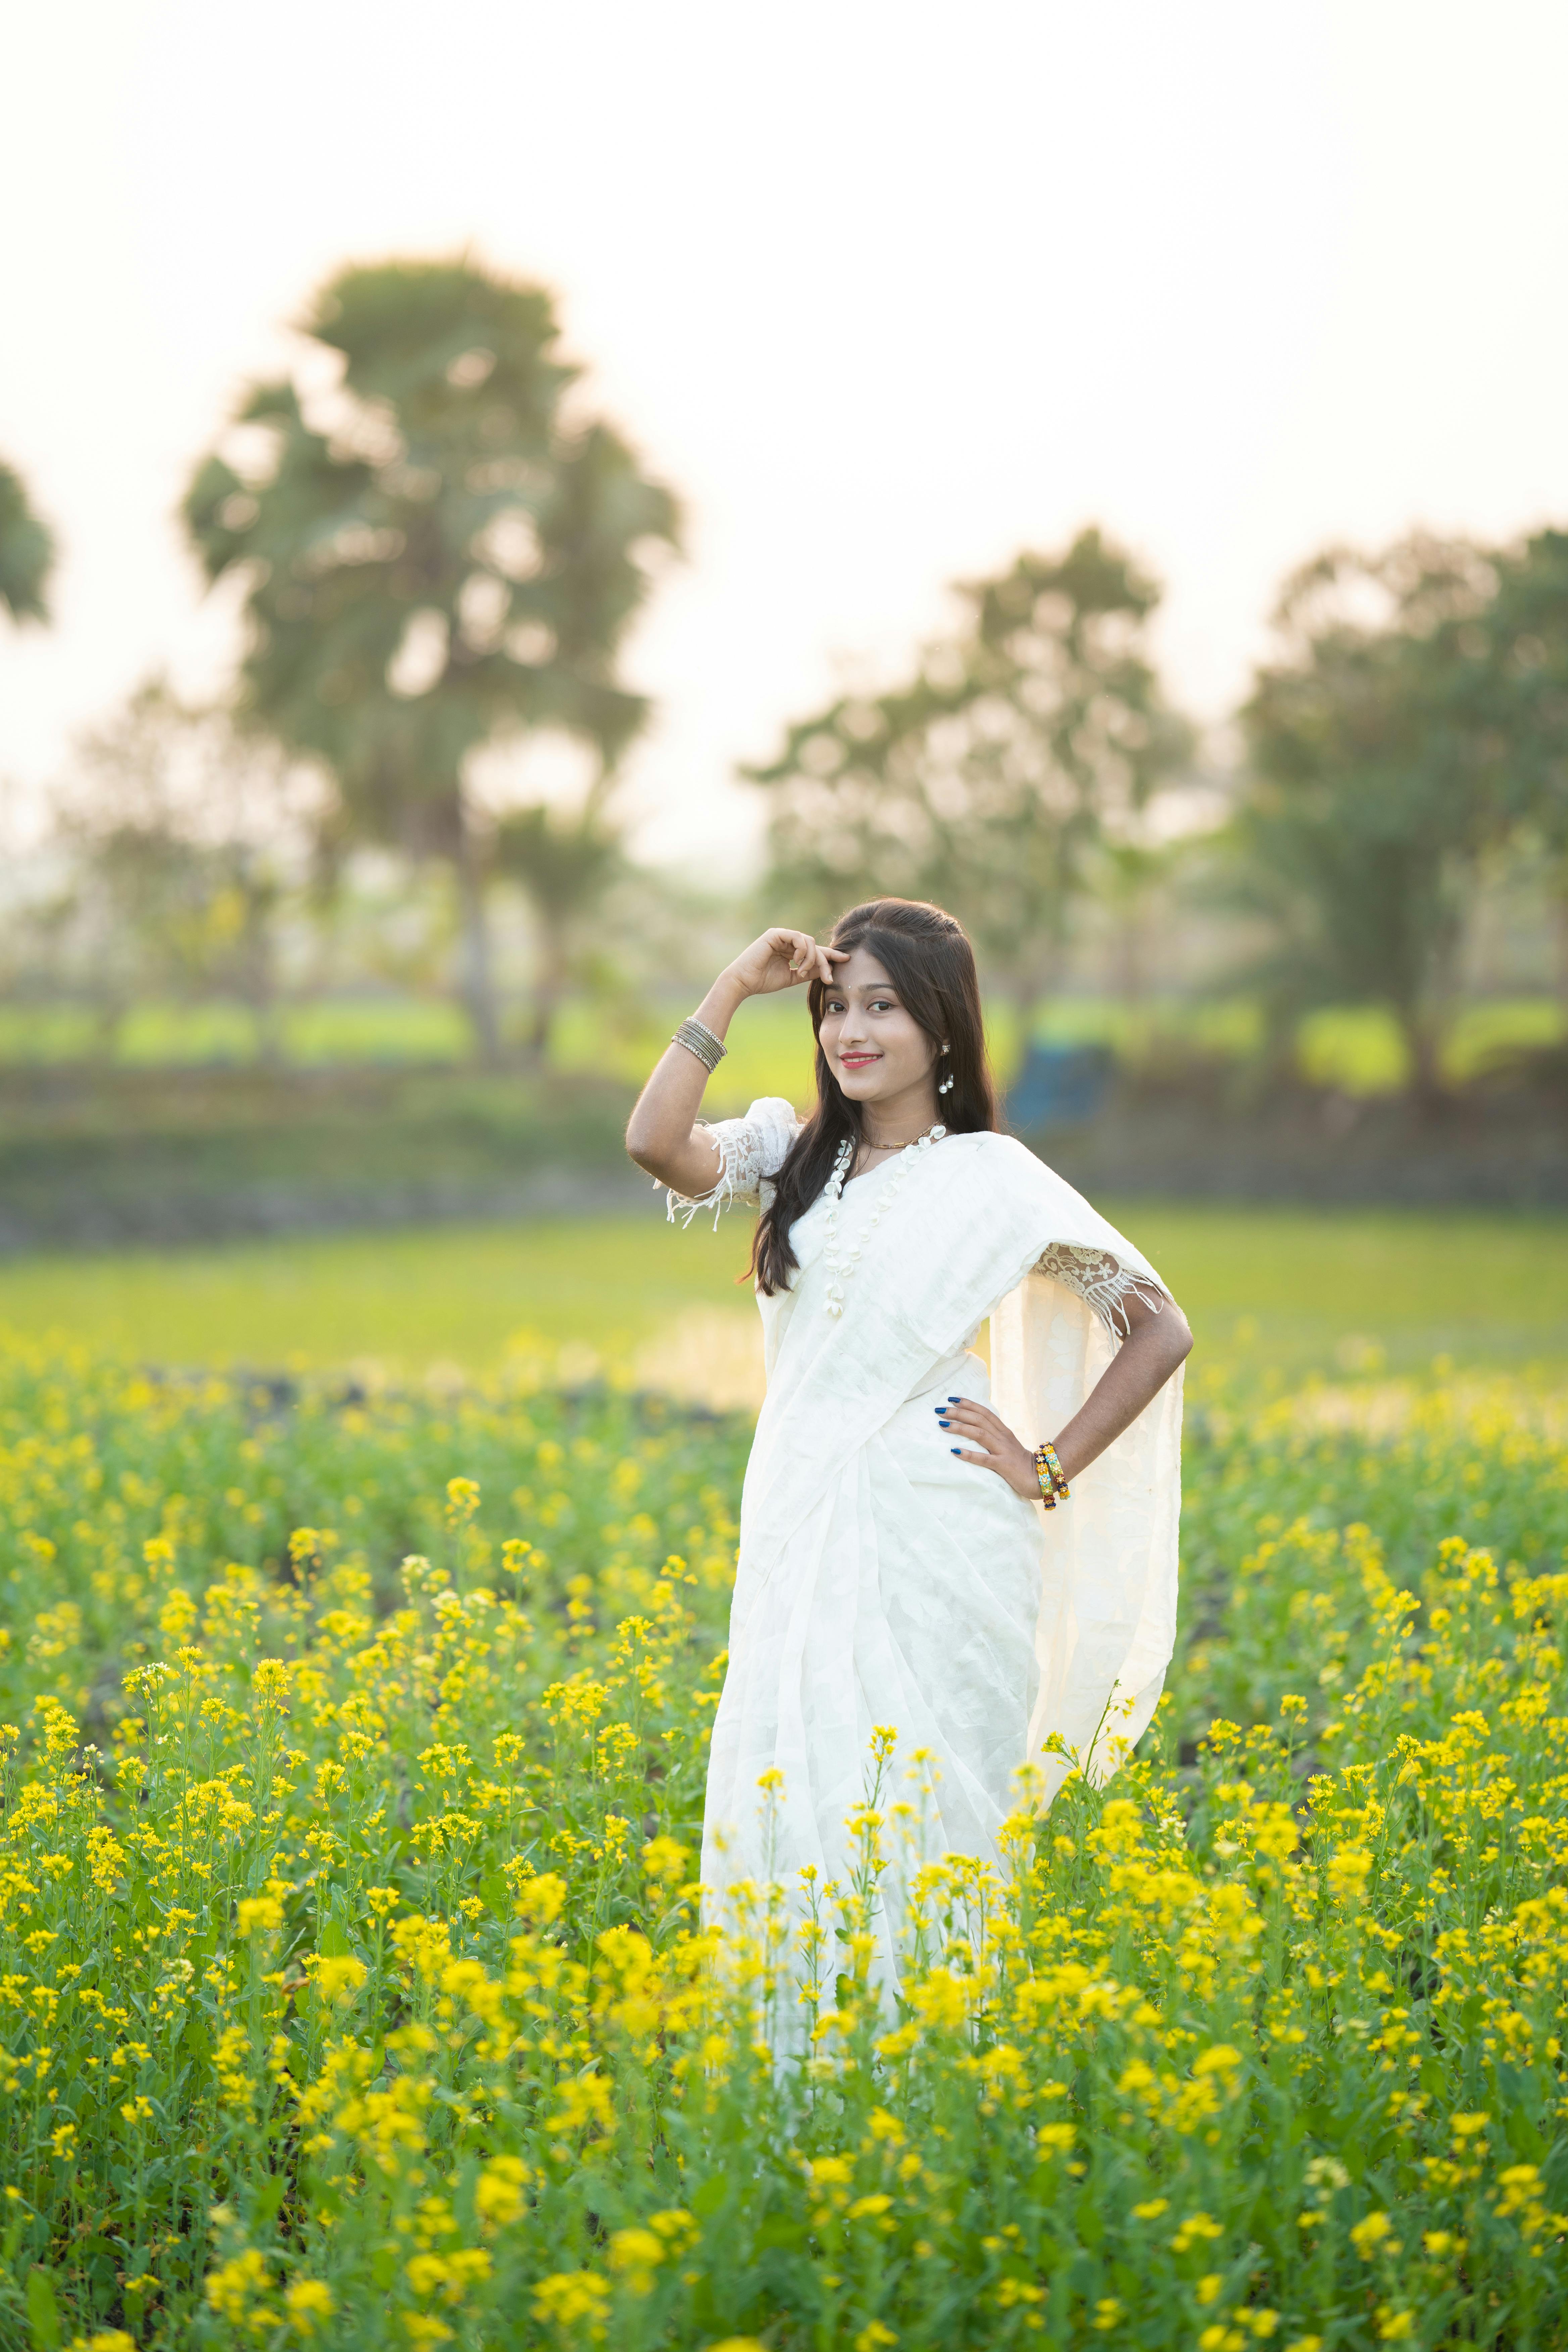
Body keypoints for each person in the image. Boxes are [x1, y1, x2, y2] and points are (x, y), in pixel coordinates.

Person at [626, 898, 1190, 1986]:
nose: (851, 1031)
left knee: (925, 1808)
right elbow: (655, 1143)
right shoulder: (795, 1156)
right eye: (834, 1007)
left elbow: (1157, 1325)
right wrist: (734, 987)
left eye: (881, 1006)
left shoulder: (997, 1181)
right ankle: (797, 2089)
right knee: (793, 1797)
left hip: (944, 1533)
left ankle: (931, 2076)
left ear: (942, 1025)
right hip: (801, 1515)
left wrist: (1047, 1464)